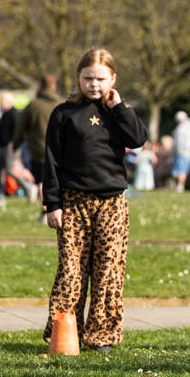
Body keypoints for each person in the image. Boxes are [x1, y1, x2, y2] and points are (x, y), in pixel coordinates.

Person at [41, 49, 148, 351]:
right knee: (71, 270)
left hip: (112, 202)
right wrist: (52, 204)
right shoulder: (63, 114)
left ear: (113, 79)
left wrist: (120, 108)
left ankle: (102, 335)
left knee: (108, 269)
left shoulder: (117, 112)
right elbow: (51, 161)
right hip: (73, 201)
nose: (94, 84)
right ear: (78, 78)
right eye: (88, 78)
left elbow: (138, 138)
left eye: (101, 78)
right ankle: (64, 331)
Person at [12, 74, 64, 193]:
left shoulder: (33, 106)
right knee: (57, 180)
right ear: (54, 86)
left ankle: (44, 209)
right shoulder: (62, 104)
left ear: (40, 86)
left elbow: (20, 129)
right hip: (59, 149)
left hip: (39, 150)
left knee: (41, 180)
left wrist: (15, 144)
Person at [0, 91, 19, 197]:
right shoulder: (4, 113)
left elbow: (17, 130)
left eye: (2, 100)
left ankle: (28, 186)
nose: (0, 103)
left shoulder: (14, 114)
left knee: (9, 171)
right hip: (1, 146)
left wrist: (13, 142)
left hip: (9, 147)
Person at [171, 110, 190, 192]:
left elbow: (181, 141)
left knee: (181, 171)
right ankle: (179, 186)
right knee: (178, 171)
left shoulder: (185, 127)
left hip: (184, 152)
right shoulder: (185, 126)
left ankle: (180, 186)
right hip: (182, 152)